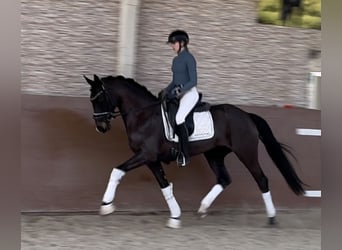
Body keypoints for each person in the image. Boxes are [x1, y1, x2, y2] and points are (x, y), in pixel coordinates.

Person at [160, 30, 199, 167]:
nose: (172, 46)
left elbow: (193, 81)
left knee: (179, 118)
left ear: (182, 43)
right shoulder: (176, 60)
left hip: (189, 93)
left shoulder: (189, 58)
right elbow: (174, 81)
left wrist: (180, 89)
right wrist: (167, 90)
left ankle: (185, 154)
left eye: (173, 43)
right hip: (178, 93)